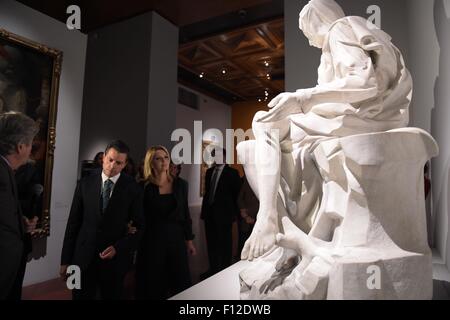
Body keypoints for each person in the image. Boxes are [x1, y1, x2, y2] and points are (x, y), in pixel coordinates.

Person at [238, 0, 413, 261]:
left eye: (306, 32)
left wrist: (300, 100)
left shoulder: (339, 28)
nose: (309, 41)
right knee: (248, 147)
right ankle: (286, 230)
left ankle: (268, 218)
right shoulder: (350, 30)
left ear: (317, 19)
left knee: (263, 121)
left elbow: (364, 84)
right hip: (368, 116)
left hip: (366, 116)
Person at [60, 140, 144, 300]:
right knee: (78, 296)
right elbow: (73, 223)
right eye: (110, 160)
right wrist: (65, 260)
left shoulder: (133, 188)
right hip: (81, 258)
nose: (112, 166)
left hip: (114, 262)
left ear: (125, 164)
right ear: (104, 157)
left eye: (118, 163)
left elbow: (140, 227)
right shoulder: (85, 183)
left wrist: (118, 248)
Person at [135, 146, 196, 300]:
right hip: (152, 241)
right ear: (151, 162)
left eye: (166, 157)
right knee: (154, 284)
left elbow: (185, 214)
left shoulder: (181, 185)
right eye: (159, 158)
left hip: (176, 239)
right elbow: (137, 216)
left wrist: (189, 241)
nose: (164, 161)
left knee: (180, 283)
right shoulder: (143, 187)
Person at [0, 111, 39, 300]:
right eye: (31, 143)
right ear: (20, 146)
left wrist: (19, 222)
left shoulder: (6, 170)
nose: (31, 149)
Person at [201, 147, 241, 275]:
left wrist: (234, 214)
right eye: (214, 155)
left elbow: (237, 196)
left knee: (225, 245)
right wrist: (204, 212)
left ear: (224, 157)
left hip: (225, 216)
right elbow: (208, 194)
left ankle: (224, 270)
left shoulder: (232, 173)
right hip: (209, 215)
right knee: (211, 244)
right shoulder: (209, 172)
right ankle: (212, 269)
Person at [237, 174, 259, 256]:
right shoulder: (248, 178)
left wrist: (256, 218)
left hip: (260, 220)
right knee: (245, 249)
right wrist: (245, 214)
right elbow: (240, 198)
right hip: (246, 220)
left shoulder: (267, 176)